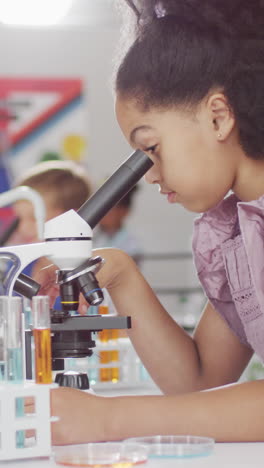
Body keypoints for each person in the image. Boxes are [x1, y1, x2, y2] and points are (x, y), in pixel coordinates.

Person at [34, 0, 264, 445]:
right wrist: (120, 275)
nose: (151, 174)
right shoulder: (238, 236)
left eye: (151, 148)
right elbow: (200, 385)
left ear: (218, 116)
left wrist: (110, 419)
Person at [10, 159, 93, 278]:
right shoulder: (17, 267)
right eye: (19, 218)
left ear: (68, 218)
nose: (23, 228)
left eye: (34, 218)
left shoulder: (86, 271)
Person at [93, 184, 143, 265]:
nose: (102, 213)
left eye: (109, 210)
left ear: (124, 211)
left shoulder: (132, 246)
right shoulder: (91, 235)